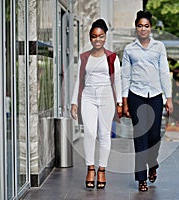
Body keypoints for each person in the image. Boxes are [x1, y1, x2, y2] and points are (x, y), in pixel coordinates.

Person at [121, 10, 173, 192]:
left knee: (154, 136)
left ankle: (152, 163)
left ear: (150, 28)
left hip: (156, 96)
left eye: (146, 26)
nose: (143, 29)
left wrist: (169, 98)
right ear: (136, 28)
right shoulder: (129, 49)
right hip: (136, 95)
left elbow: (164, 73)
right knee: (140, 137)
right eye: (140, 26)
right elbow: (125, 76)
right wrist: (124, 101)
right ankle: (141, 178)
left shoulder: (159, 47)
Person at [70, 18, 122, 190]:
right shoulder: (85, 57)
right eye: (94, 36)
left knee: (104, 135)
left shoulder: (112, 57)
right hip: (88, 98)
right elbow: (79, 79)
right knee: (90, 133)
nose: (97, 39)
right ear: (90, 37)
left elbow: (118, 81)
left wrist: (120, 102)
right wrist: (73, 102)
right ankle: (90, 168)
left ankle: (102, 170)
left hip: (107, 97)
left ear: (105, 37)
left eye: (100, 36)